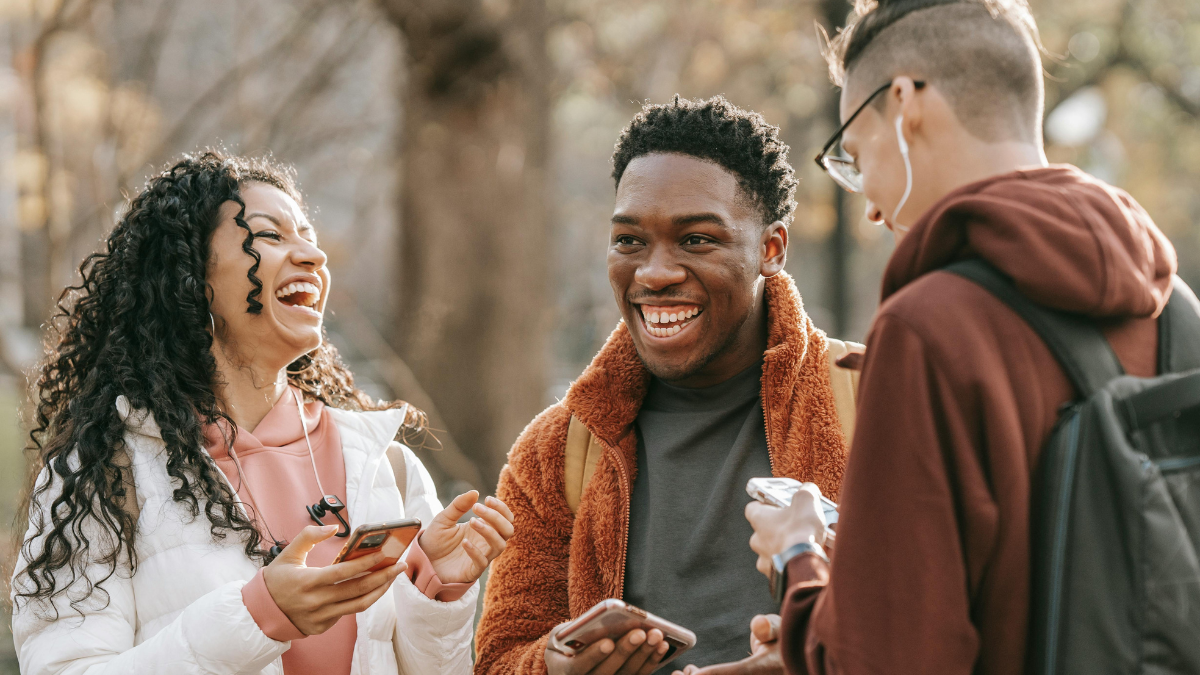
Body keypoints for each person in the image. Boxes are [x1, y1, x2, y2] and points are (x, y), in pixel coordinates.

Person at [699, 1, 1188, 674]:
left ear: (905, 102)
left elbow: (889, 659)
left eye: (856, 153)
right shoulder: (1175, 309)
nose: (867, 201)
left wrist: (798, 557)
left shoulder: (928, 329)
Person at [10, 151, 516, 675]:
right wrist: (257, 617)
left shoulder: (386, 465)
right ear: (189, 278)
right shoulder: (106, 475)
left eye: (309, 238)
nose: (313, 258)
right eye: (270, 236)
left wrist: (437, 590)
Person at [475, 96, 859, 675]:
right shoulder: (557, 453)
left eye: (696, 240)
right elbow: (500, 657)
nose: (654, 273)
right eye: (630, 241)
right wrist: (552, 667)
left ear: (771, 249)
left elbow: (958, 624)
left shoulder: (875, 399)